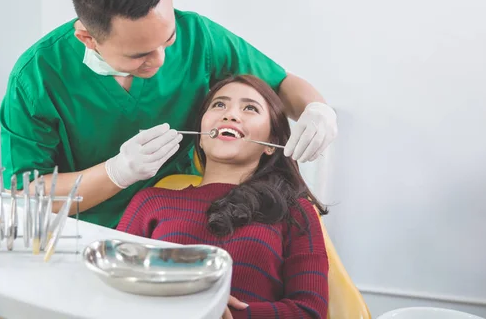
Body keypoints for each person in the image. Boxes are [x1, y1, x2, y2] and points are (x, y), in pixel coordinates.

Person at [0, 0, 338, 228]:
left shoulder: (199, 38)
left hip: (184, 223)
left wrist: (317, 109)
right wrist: (116, 173)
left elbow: (280, 85)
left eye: (168, 39)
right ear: (89, 38)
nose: (160, 60)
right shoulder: (38, 77)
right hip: (91, 237)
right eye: (139, 55)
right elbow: (26, 194)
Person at [117, 75, 329, 319]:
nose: (230, 115)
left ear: (270, 144)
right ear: (200, 136)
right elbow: (113, 290)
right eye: (219, 105)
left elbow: (310, 311)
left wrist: (225, 314)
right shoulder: (150, 201)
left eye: (250, 108)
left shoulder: (294, 211)